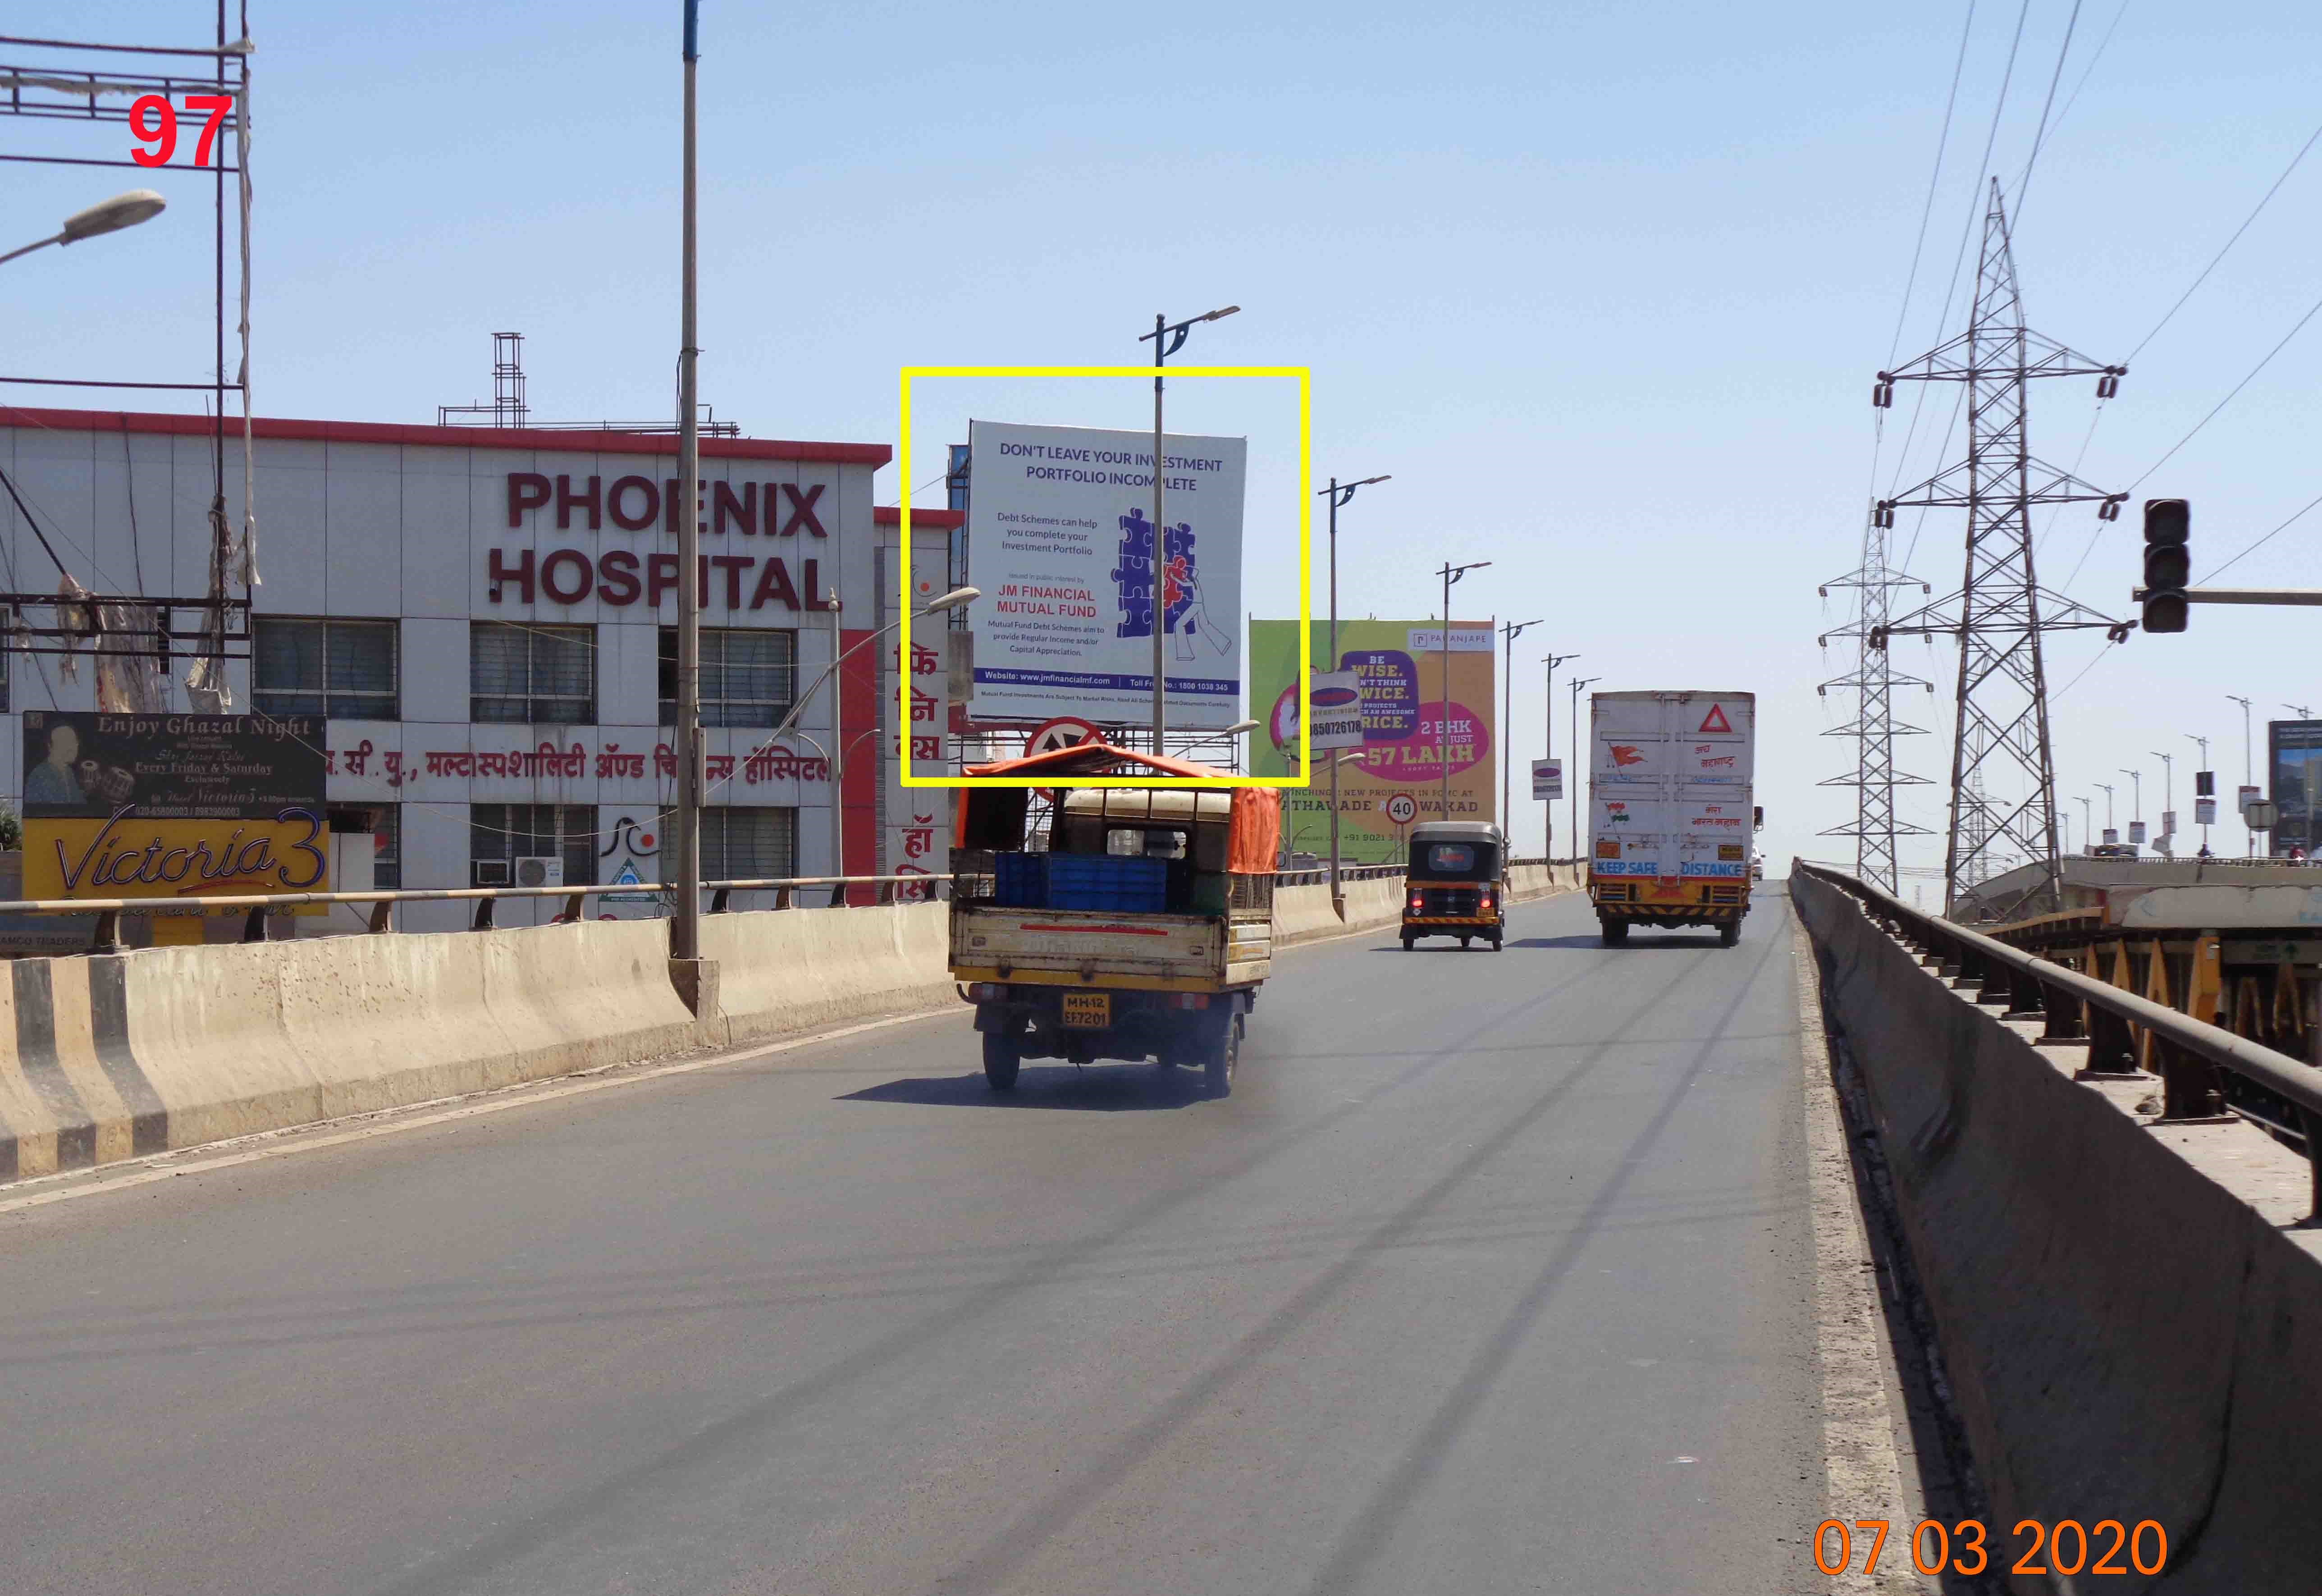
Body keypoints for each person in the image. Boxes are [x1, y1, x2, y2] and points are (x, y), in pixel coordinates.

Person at [23, 723, 85, 807]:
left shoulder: (70, 772)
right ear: (50, 747)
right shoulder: (38, 777)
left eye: (74, 742)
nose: (72, 748)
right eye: (64, 742)